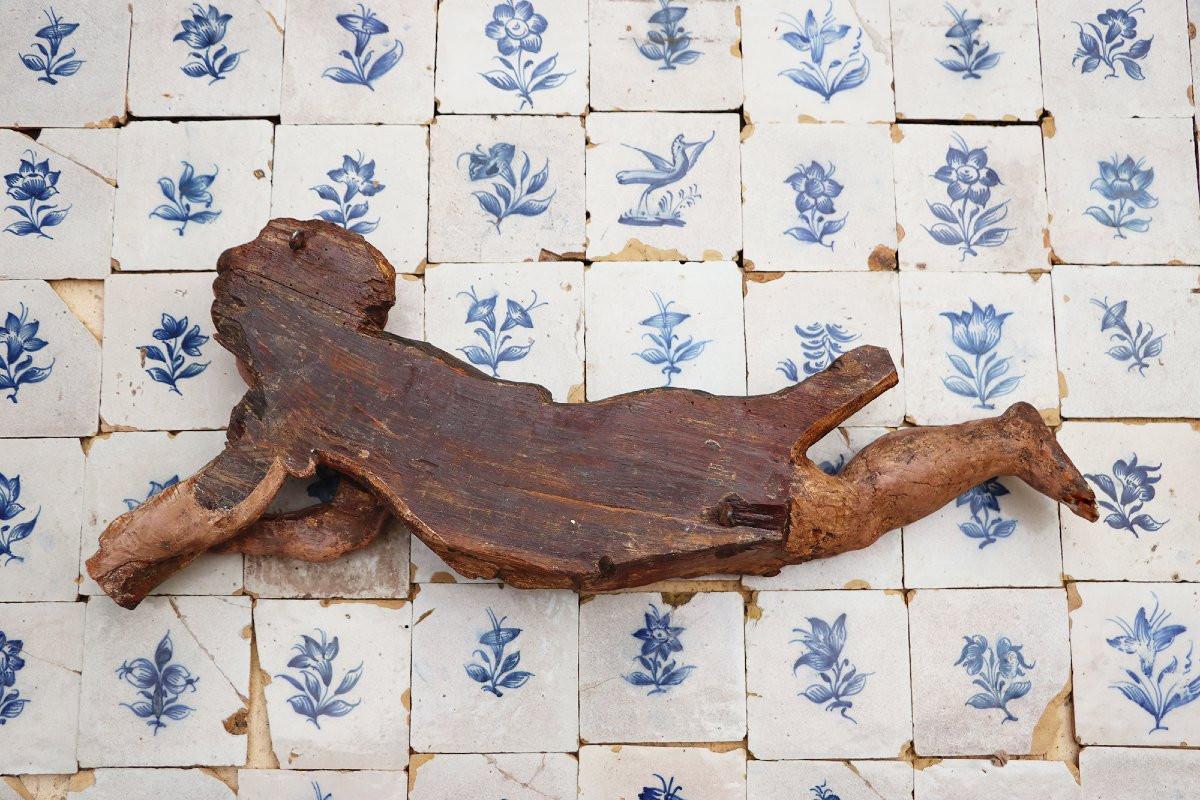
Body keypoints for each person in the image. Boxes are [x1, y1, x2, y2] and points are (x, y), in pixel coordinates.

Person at [88, 220, 1097, 609]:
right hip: (580, 462)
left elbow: (225, 513)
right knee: (786, 478)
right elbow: (351, 518)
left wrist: (143, 553)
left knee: (825, 511)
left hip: (564, 498)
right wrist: (250, 538)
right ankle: (938, 423)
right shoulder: (340, 375)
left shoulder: (284, 412)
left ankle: (997, 437)